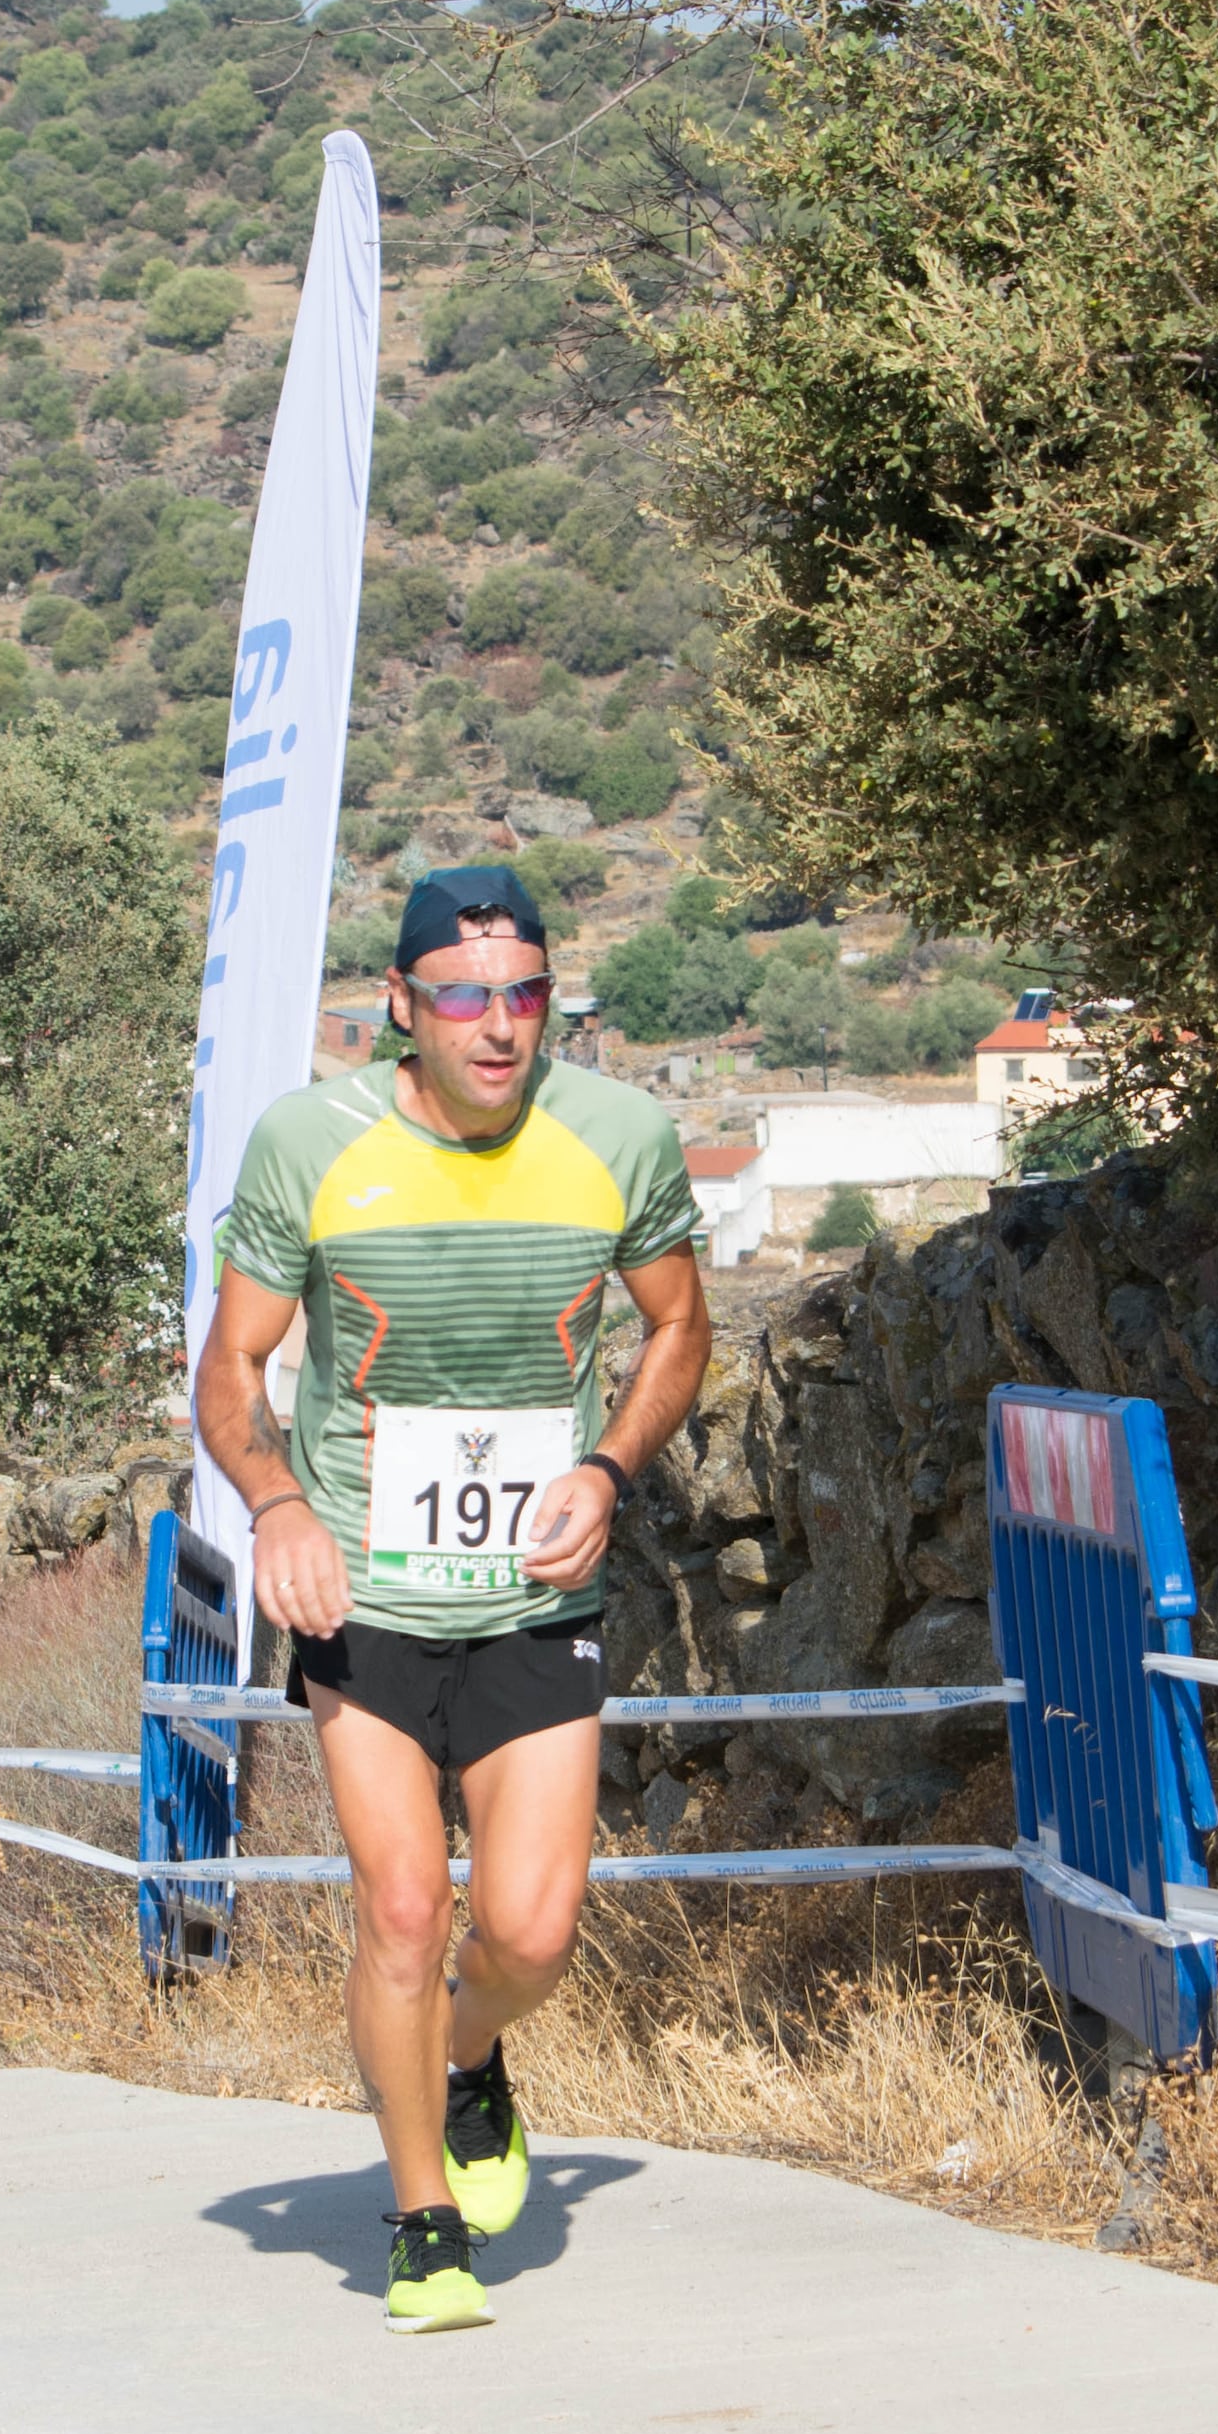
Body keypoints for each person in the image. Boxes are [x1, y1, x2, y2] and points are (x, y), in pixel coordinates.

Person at [193, 868, 709, 2334]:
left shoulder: (619, 1137)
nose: (500, 1025)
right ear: (402, 1007)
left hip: (538, 1586)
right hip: (363, 1584)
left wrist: (609, 1468)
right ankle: (423, 2217)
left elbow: (679, 1327)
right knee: (406, 1903)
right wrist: (278, 1504)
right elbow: (230, 1373)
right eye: (467, 997)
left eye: (529, 993)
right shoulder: (312, 1143)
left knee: (533, 1933)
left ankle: (469, 2058)